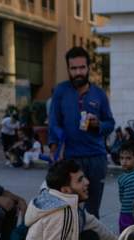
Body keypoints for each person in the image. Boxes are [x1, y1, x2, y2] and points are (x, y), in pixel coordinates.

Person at [48, 46, 115, 217]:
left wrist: (98, 124)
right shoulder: (60, 91)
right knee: (68, 209)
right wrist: (54, 150)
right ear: (68, 69)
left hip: (96, 158)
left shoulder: (99, 94)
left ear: (88, 68)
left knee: (92, 211)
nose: (78, 72)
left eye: (82, 67)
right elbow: (54, 122)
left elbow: (110, 123)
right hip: (70, 158)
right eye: (74, 68)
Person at [116, 143, 134, 232]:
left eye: (128, 158)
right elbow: (121, 197)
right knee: (125, 237)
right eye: (121, 158)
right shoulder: (121, 178)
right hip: (125, 213)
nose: (124, 161)